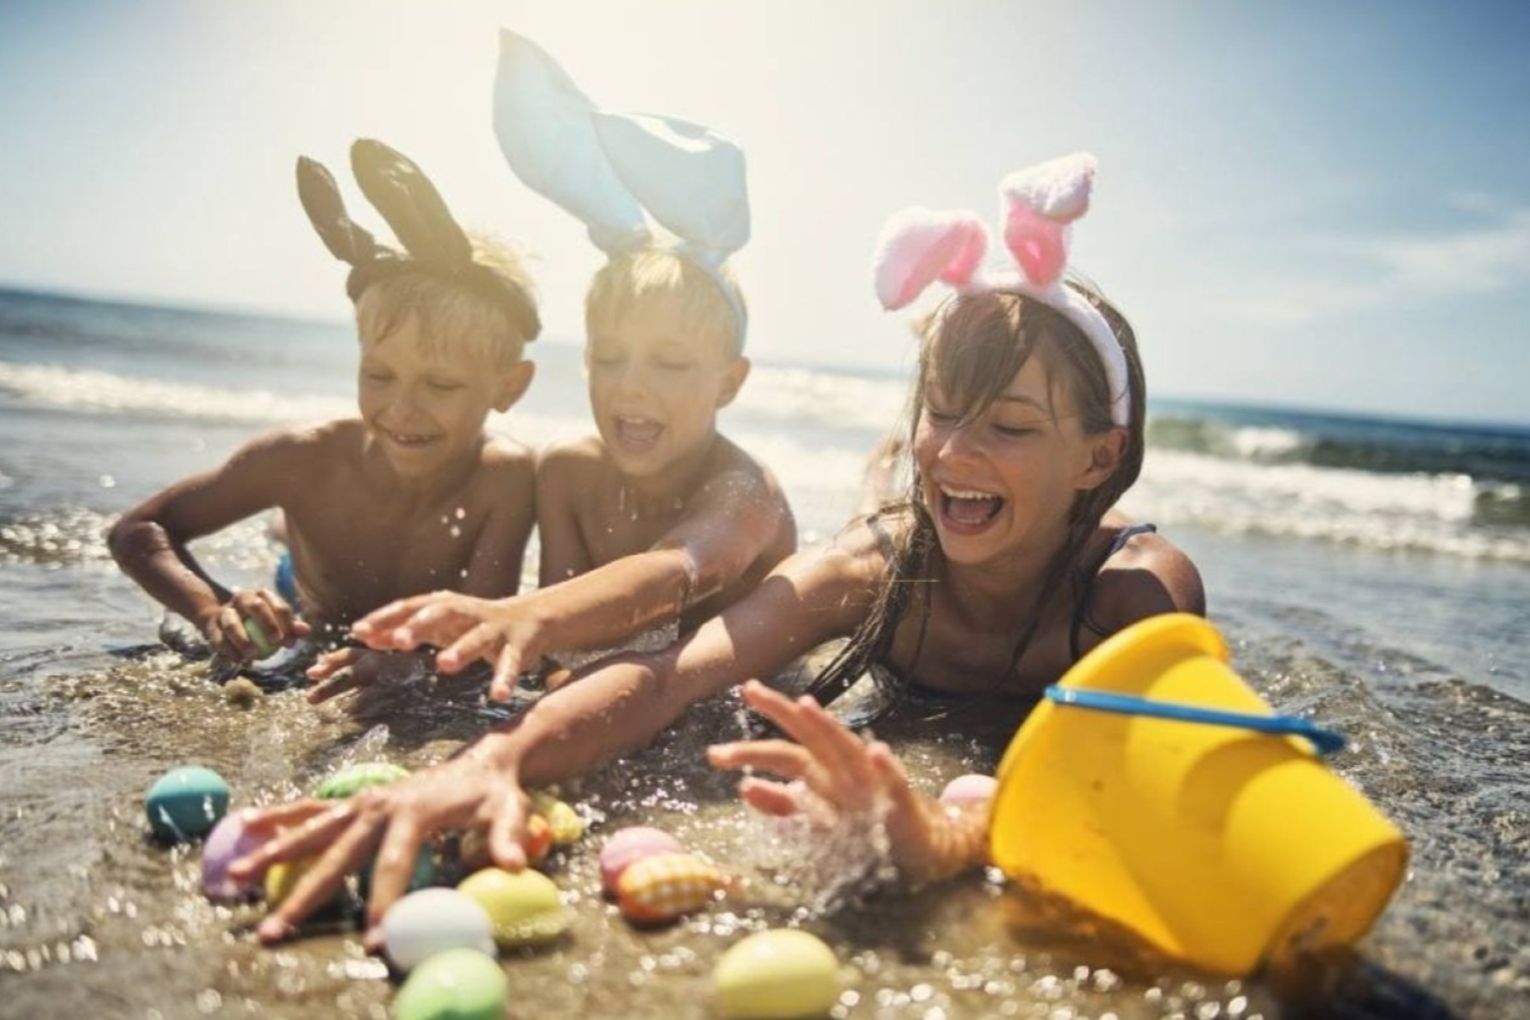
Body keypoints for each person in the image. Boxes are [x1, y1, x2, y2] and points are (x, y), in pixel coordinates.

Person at [231, 153, 1204, 948]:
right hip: (893, 575)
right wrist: (499, 759)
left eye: (1013, 428)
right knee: (896, 500)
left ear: (1101, 456)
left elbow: (1142, 789)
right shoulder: (876, 564)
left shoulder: (1133, 594)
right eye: (941, 412)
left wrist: (953, 833)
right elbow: (669, 674)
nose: (954, 452)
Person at [333, 33, 796, 702]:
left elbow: (681, 569)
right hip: (624, 697)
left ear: (729, 381)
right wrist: (427, 666)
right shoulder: (570, 476)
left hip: (733, 712)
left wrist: (522, 615)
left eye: (669, 362)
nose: (631, 382)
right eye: (609, 357)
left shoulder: (746, 493)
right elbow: (566, 656)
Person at [109, 140, 540, 686]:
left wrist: (409, 661)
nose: (402, 409)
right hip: (309, 597)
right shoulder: (302, 458)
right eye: (379, 376)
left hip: (384, 609)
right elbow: (138, 530)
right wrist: (214, 610)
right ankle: (287, 531)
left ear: (510, 388)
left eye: (442, 384)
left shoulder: (504, 478)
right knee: (295, 561)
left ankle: (288, 529)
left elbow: (478, 628)